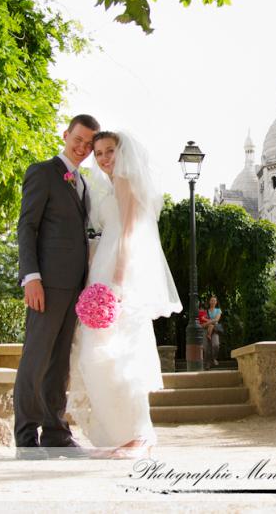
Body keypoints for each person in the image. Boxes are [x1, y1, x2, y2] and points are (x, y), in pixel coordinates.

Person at [67, 130, 182, 459]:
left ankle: (139, 437)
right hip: (107, 265)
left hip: (120, 271)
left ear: (123, 153)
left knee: (116, 354)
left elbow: (130, 230)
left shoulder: (123, 180)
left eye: (110, 151)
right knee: (108, 354)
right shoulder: (114, 183)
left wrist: (116, 280)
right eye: (99, 153)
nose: (104, 158)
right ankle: (124, 435)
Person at [14, 114, 100, 460]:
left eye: (88, 145)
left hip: (74, 288)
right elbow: (27, 227)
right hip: (46, 284)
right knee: (35, 359)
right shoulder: (43, 172)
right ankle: (25, 438)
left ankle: (55, 433)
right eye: (77, 140)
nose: (81, 148)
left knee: (59, 363)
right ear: (65, 135)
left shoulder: (84, 184)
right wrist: (31, 277)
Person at [204, 295, 223, 368]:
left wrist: (208, 322)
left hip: (215, 329)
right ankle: (207, 363)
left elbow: (216, 320)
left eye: (214, 300)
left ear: (216, 302)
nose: (213, 302)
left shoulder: (218, 310)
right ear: (209, 302)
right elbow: (203, 320)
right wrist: (210, 322)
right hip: (206, 329)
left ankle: (214, 358)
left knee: (216, 345)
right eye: (211, 300)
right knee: (206, 347)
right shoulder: (206, 311)